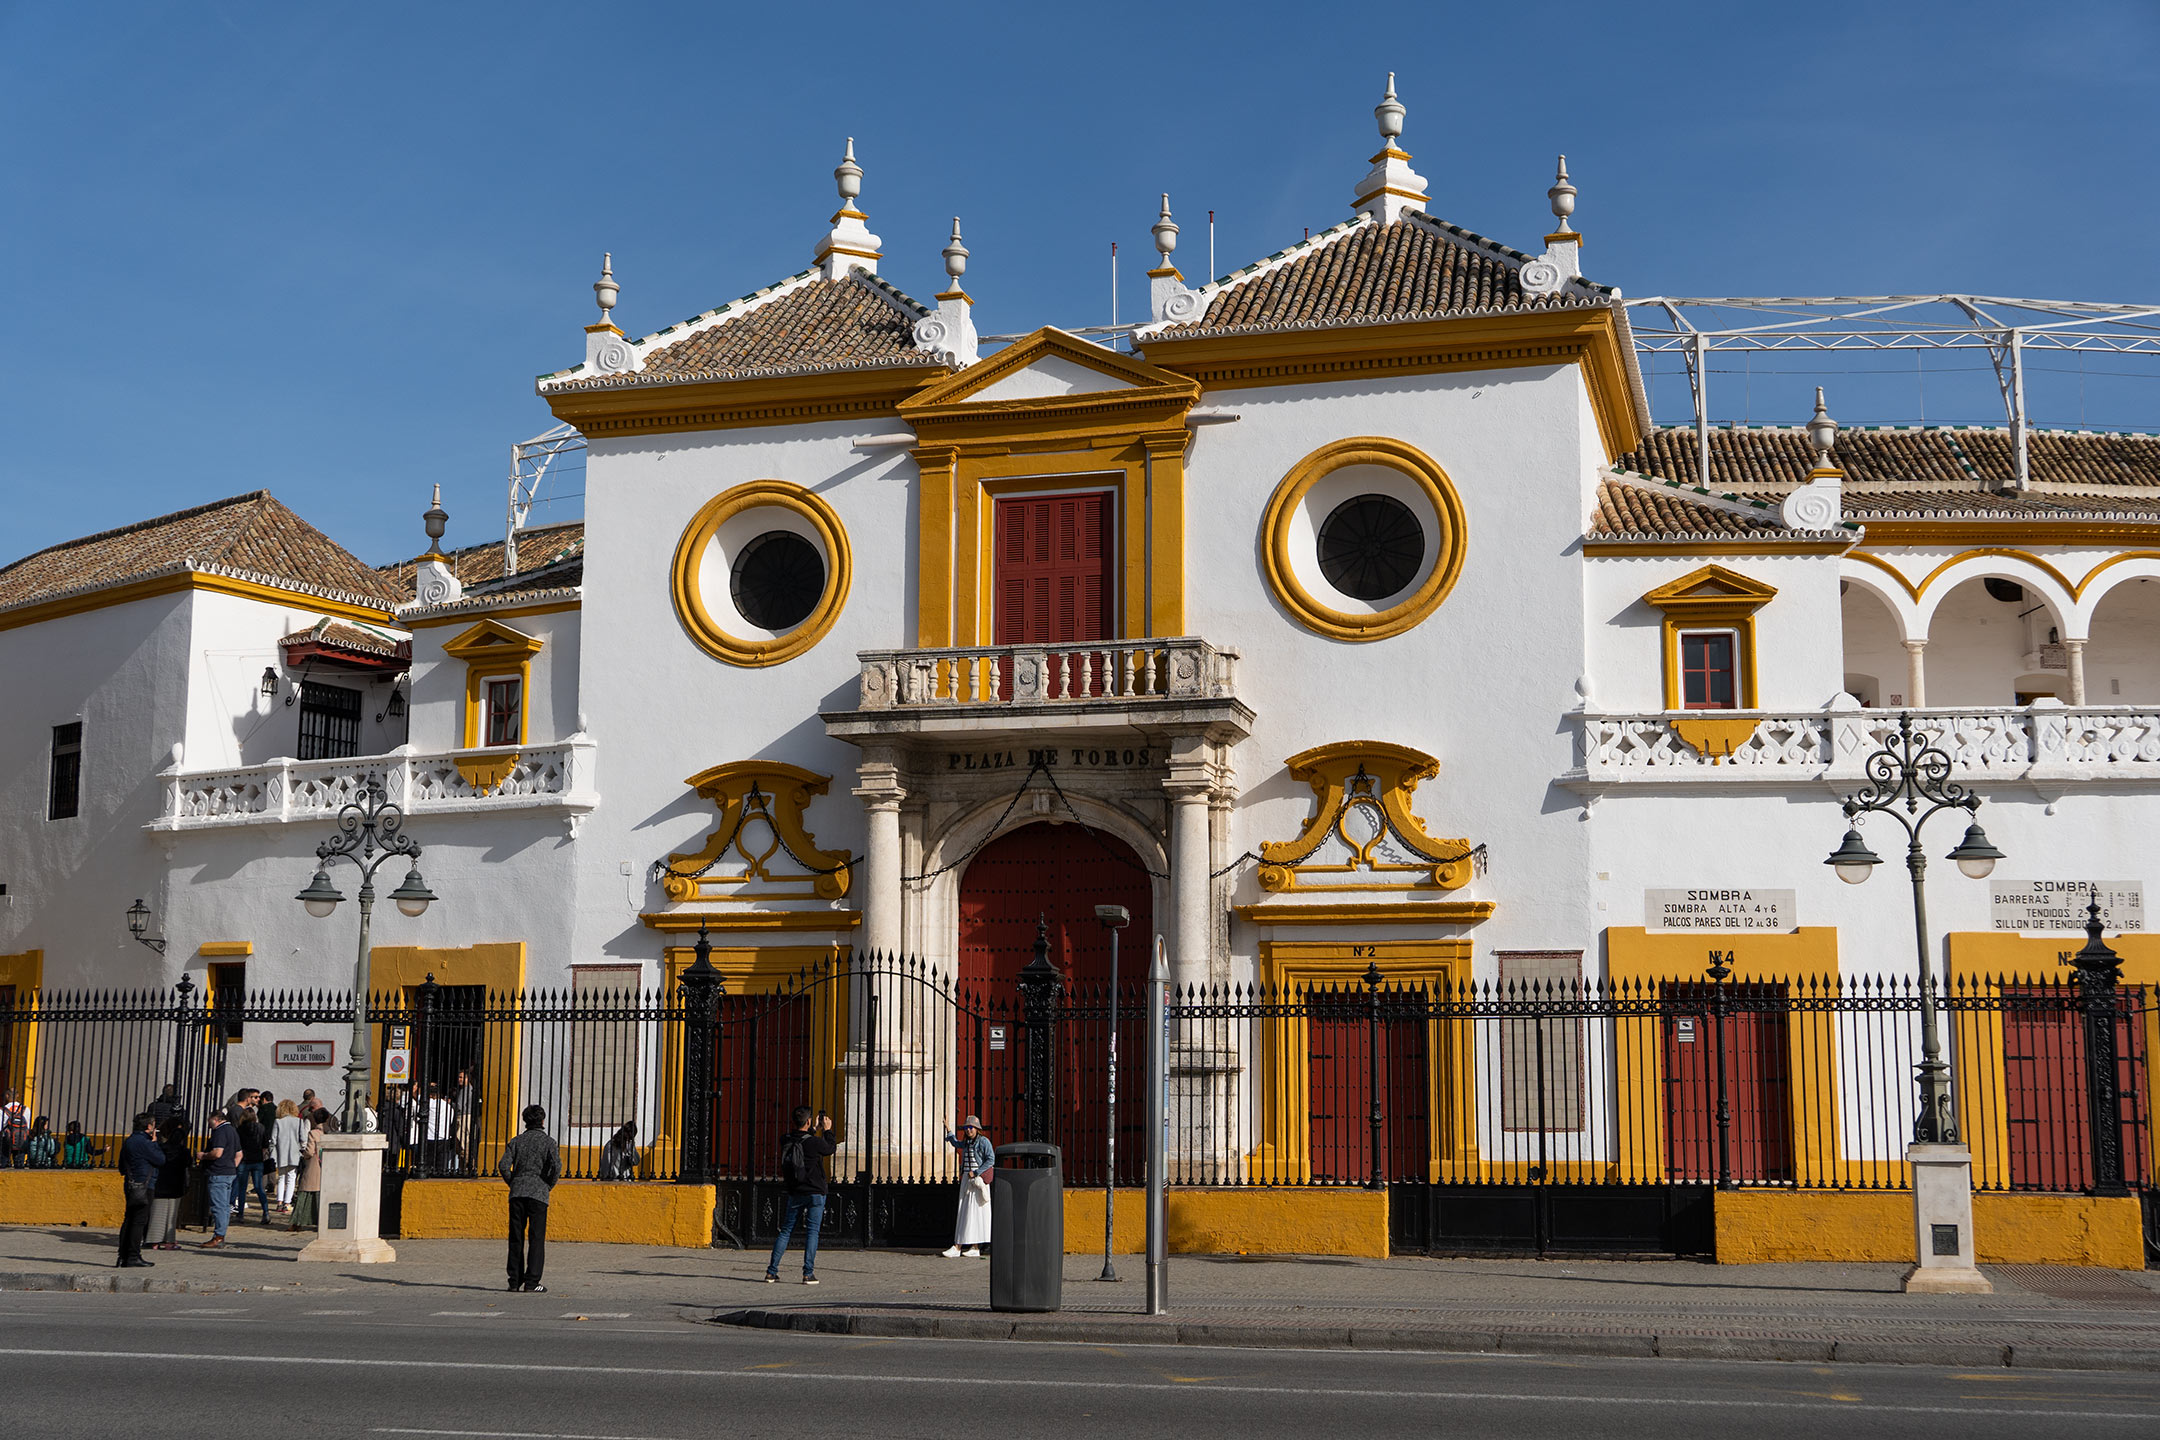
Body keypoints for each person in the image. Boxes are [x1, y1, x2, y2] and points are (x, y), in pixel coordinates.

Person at [765, 1108, 836, 1285]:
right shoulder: (814, 1143)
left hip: (795, 1191)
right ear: (809, 1121)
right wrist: (827, 1130)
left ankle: (771, 1272)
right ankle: (808, 1273)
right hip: (815, 1192)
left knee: (786, 1231)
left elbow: (801, 1139)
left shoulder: (786, 1140)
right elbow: (829, 1149)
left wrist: (814, 1129)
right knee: (812, 1232)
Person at [496, 1104, 560, 1294]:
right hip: (538, 1193)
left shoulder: (516, 1141)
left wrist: (514, 1182)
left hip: (517, 1192)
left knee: (516, 1237)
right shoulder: (548, 1142)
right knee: (536, 1238)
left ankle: (514, 1281)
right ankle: (532, 1282)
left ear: (525, 1121)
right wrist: (547, 1185)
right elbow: (556, 1166)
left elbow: (504, 1165)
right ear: (542, 1121)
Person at [941, 1116, 993, 1258]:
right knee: (965, 1210)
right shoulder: (968, 1142)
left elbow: (991, 1159)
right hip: (967, 1179)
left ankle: (964, 1246)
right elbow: (956, 1144)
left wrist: (976, 1172)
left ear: (977, 1129)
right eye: (966, 1127)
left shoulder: (983, 1142)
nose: (968, 1130)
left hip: (977, 1181)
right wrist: (949, 1129)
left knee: (974, 1212)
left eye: (971, 1127)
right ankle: (968, 1246)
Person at [116, 1112, 160, 1269]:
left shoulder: (129, 1141)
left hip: (130, 1184)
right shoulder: (146, 1143)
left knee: (128, 1219)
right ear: (149, 1126)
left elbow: (121, 1165)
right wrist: (154, 1142)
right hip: (145, 1185)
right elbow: (160, 1159)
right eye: (154, 1125)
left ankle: (122, 1255)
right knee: (139, 1221)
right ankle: (133, 1255)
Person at [199, 1108, 239, 1248]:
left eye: (210, 1120)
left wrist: (203, 1156)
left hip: (218, 1172)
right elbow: (239, 1154)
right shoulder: (232, 1130)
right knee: (224, 1206)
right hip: (229, 1172)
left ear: (215, 1119)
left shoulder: (220, 1131)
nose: (208, 1123)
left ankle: (219, 1236)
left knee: (219, 1207)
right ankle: (220, 1234)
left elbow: (217, 1153)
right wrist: (231, 1167)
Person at [148, 1118, 191, 1250]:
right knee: (171, 1215)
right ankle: (169, 1241)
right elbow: (188, 1164)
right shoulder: (184, 1152)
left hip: (160, 1184)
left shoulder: (161, 1148)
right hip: (176, 1186)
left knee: (157, 1213)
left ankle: (154, 1241)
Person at [288, 1108, 328, 1232]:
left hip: (313, 1165)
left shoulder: (313, 1133)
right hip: (325, 1166)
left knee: (305, 1192)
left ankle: (297, 1222)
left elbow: (310, 1151)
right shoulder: (328, 1133)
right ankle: (321, 1222)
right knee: (320, 1194)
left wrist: (304, 1154)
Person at [233, 1104, 270, 1225]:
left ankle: (241, 1214)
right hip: (257, 1160)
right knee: (259, 1187)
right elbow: (265, 1145)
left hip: (244, 1160)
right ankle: (266, 1212)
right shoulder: (261, 1127)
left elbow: (237, 1146)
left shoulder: (240, 1129)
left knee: (242, 1189)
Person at [270, 1100, 306, 1212]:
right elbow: (303, 1139)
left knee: (281, 1178)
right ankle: (287, 1203)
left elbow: (273, 1139)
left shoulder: (278, 1121)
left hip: (281, 1153)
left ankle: (279, 1202)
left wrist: (272, 1152)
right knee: (291, 1178)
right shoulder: (299, 1122)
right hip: (294, 1153)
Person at [452, 1070, 476, 1172]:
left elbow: (459, 1106)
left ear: (467, 1078)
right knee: (465, 1141)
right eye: (459, 1077)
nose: (459, 1080)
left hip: (463, 1117)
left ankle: (468, 1166)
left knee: (462, 1142)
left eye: (462, 1077)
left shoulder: (466, 1090)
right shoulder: (470, 1089)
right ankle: (465, 1167)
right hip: (467, 1116)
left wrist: (450, 1104)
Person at [1, 1090, 28, 1168]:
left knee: (3, 1165)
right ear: (17, 1095)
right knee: (19, 1166)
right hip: (22, 1140)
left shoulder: (2, 1110)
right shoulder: (26, 1109)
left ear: (7, 1095)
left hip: (6, 1140)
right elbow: (28, 1127)